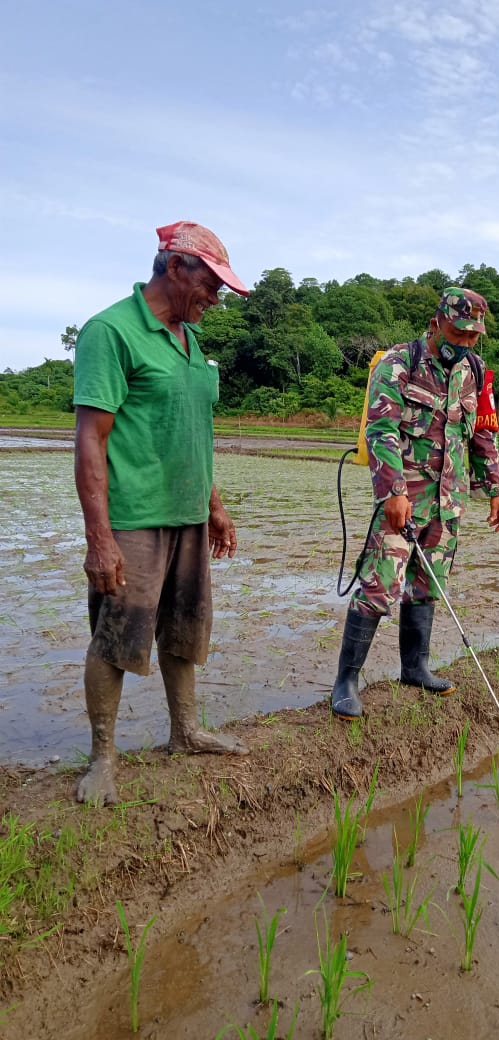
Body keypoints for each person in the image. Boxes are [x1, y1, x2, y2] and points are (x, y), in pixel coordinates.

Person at [72, 221, 251, 806]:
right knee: (116, 637)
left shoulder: (190, 342)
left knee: (184, 626)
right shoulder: (112, 331)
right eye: (211, 284)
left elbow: (190, 434)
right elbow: (91, 440)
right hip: (135, 516)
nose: (215, 298)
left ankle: (185, 731)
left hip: (188, 516)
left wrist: (215, 506)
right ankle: (103, 756)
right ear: (176, 268)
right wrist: (100, 539)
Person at [331, 286, 499, 719]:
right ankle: (346, 683)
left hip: (448, 503)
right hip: (403, 502)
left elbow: (482, 433)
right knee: (378, 587)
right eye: (458, 332)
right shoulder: (399, 364)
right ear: (436, 323)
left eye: (473, 336)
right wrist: (392, 492)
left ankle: (416, 668)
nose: (464, 343)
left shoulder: (474, 370)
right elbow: (381, 431)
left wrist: (496, 489)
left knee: (428, 586)